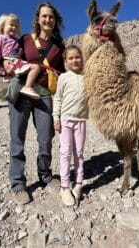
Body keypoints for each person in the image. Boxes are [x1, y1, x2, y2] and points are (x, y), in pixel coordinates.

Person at [9, 2, 65, 204]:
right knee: (17, 138)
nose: (47, 20)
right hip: (23, 91)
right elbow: (12, 59)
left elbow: (63, 73)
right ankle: (18, 183)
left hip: (44, 95)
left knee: (45, 138)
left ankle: (45, 175)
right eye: (44, 16)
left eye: (51, 16)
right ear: (38, 19)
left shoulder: (59, 47)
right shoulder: (25, 40)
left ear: (55, 20)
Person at [53, 45, 88, 206]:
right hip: (66, 120)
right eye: (71, 58)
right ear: (66, 62)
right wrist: (56, 116)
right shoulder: (63, 78)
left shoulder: (87, 77)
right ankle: (65, 186)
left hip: (81, 120)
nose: (75, 60)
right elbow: (58, 98)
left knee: (79, 153)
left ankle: (79, 183)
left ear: (82, 58)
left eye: (77, 57)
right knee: (65, 153)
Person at [0, 13, 40, 99]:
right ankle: (27, 87)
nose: (14, 28)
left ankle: (12, 95)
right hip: (12, 62)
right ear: (3, 26)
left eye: (16, 26)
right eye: (11, 25)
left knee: (18, 80)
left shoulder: (17, 40)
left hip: (17, 61)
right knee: (36, 67)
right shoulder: (0, 38)